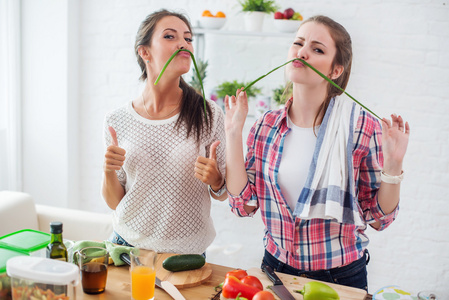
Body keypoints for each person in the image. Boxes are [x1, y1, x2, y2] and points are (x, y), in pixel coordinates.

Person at [224, 15, 410, 291]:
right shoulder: (267, 125)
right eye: (298, 43)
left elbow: (379, 219)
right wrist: (233, 133)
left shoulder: (361, 127)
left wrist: (393, 165)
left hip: (340, 278)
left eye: (317, 49)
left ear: (336, 70)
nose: (301, 52)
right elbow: (243, 204)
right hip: (274, 271)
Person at [102, 9, 227, 255]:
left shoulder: (208, 113)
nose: (183, 43)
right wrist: (108, 170)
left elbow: (222, 193)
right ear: (144, 52)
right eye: (170, 36)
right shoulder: (116, 119)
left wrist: (216, 179)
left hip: (186, 254)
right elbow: (115, 202)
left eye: (188, 38)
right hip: (126, 247)